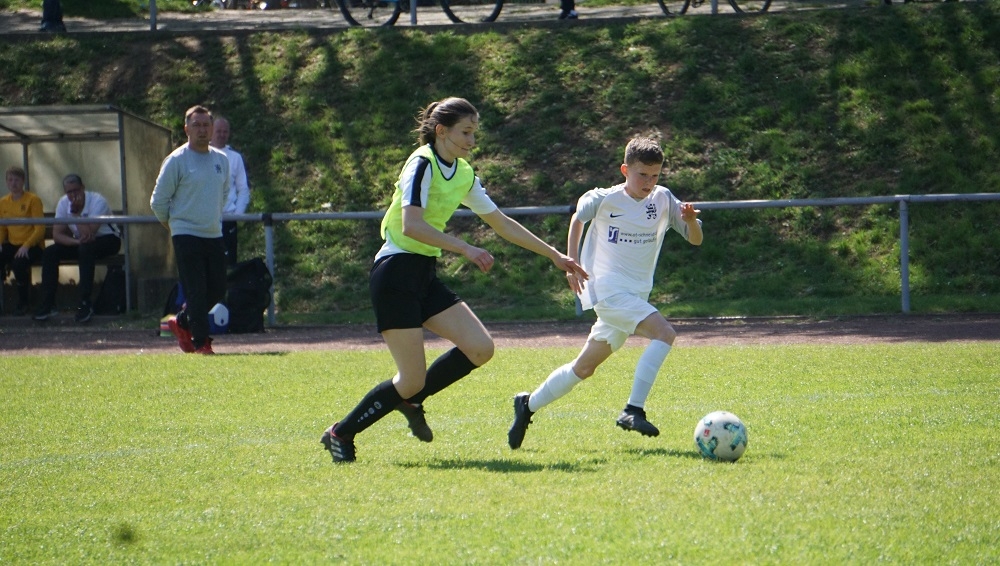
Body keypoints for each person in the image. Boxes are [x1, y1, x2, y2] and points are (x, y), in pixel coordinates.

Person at [320, 97, 588, 463]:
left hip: (423, 274)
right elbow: (411, 225)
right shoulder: (422, 162)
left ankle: (411, 400)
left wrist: (555, 255)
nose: (472, 141)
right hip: (395, 273)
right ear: (441, 131)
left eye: (475, 133)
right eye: (466, 132)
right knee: (410, 379)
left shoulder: (463, 173)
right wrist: (465, 248)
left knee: (480, 348)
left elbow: (501, 222)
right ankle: (341, 432)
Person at [507, 136, 703, 450]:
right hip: (607, 290)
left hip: (635, 295)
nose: (648, 182)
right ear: (625, 170)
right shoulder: (604, 198)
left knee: (584, 368)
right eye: (642, 175)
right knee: (664, 333)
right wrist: (571, 263)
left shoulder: (664, 199)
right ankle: (633, 409)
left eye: (654, 175)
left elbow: (695, 239)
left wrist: (691, 222)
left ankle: (527, 405)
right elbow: (577, 218)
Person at [150, 105, 230, 355]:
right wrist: (173, 225)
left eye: (206, 125)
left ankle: (182, 321)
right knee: (196, 289)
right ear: (186, 129)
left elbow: (223, 193)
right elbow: (158, 201)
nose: (202, 130)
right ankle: (201, 342)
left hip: (213, 233)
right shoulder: (177, 160)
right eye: (197, 125)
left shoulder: (221, 160)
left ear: (212, 128)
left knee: (218, 288)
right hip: (185, 234)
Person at [33, 174, 122, 323]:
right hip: (82, 242)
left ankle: (85, 303)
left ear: (83, 188)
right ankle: (48, 304)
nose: (73, 195)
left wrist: (76, 214)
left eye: (76, 190)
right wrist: (75, 242)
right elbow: (57, 235)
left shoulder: (97, 201)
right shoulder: (63, 203)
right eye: (69, 192)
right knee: (50, 252)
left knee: (86, 250)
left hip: (108, 240)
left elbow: (89, 234)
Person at [0, 166, 45, 316]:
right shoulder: (3, 202)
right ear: (6, 182)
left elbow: (40, 229)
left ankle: (24, 302)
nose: (13, 183)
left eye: (17, 180)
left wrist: (26, 245)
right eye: (10, 180)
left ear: (23, 182)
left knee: (18, 263)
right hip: (13, 243)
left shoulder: (33, 200)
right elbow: (2, 228)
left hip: (32, 245)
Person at [209, 115, 250, 267]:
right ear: (211, 131)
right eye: (218, 131)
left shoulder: (235, 158)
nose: (221, 135)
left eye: (225, 132)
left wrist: (237, 214)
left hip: (228, 220)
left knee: (229, 265)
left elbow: (243, 189)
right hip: (205, 221)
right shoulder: (199, 154)